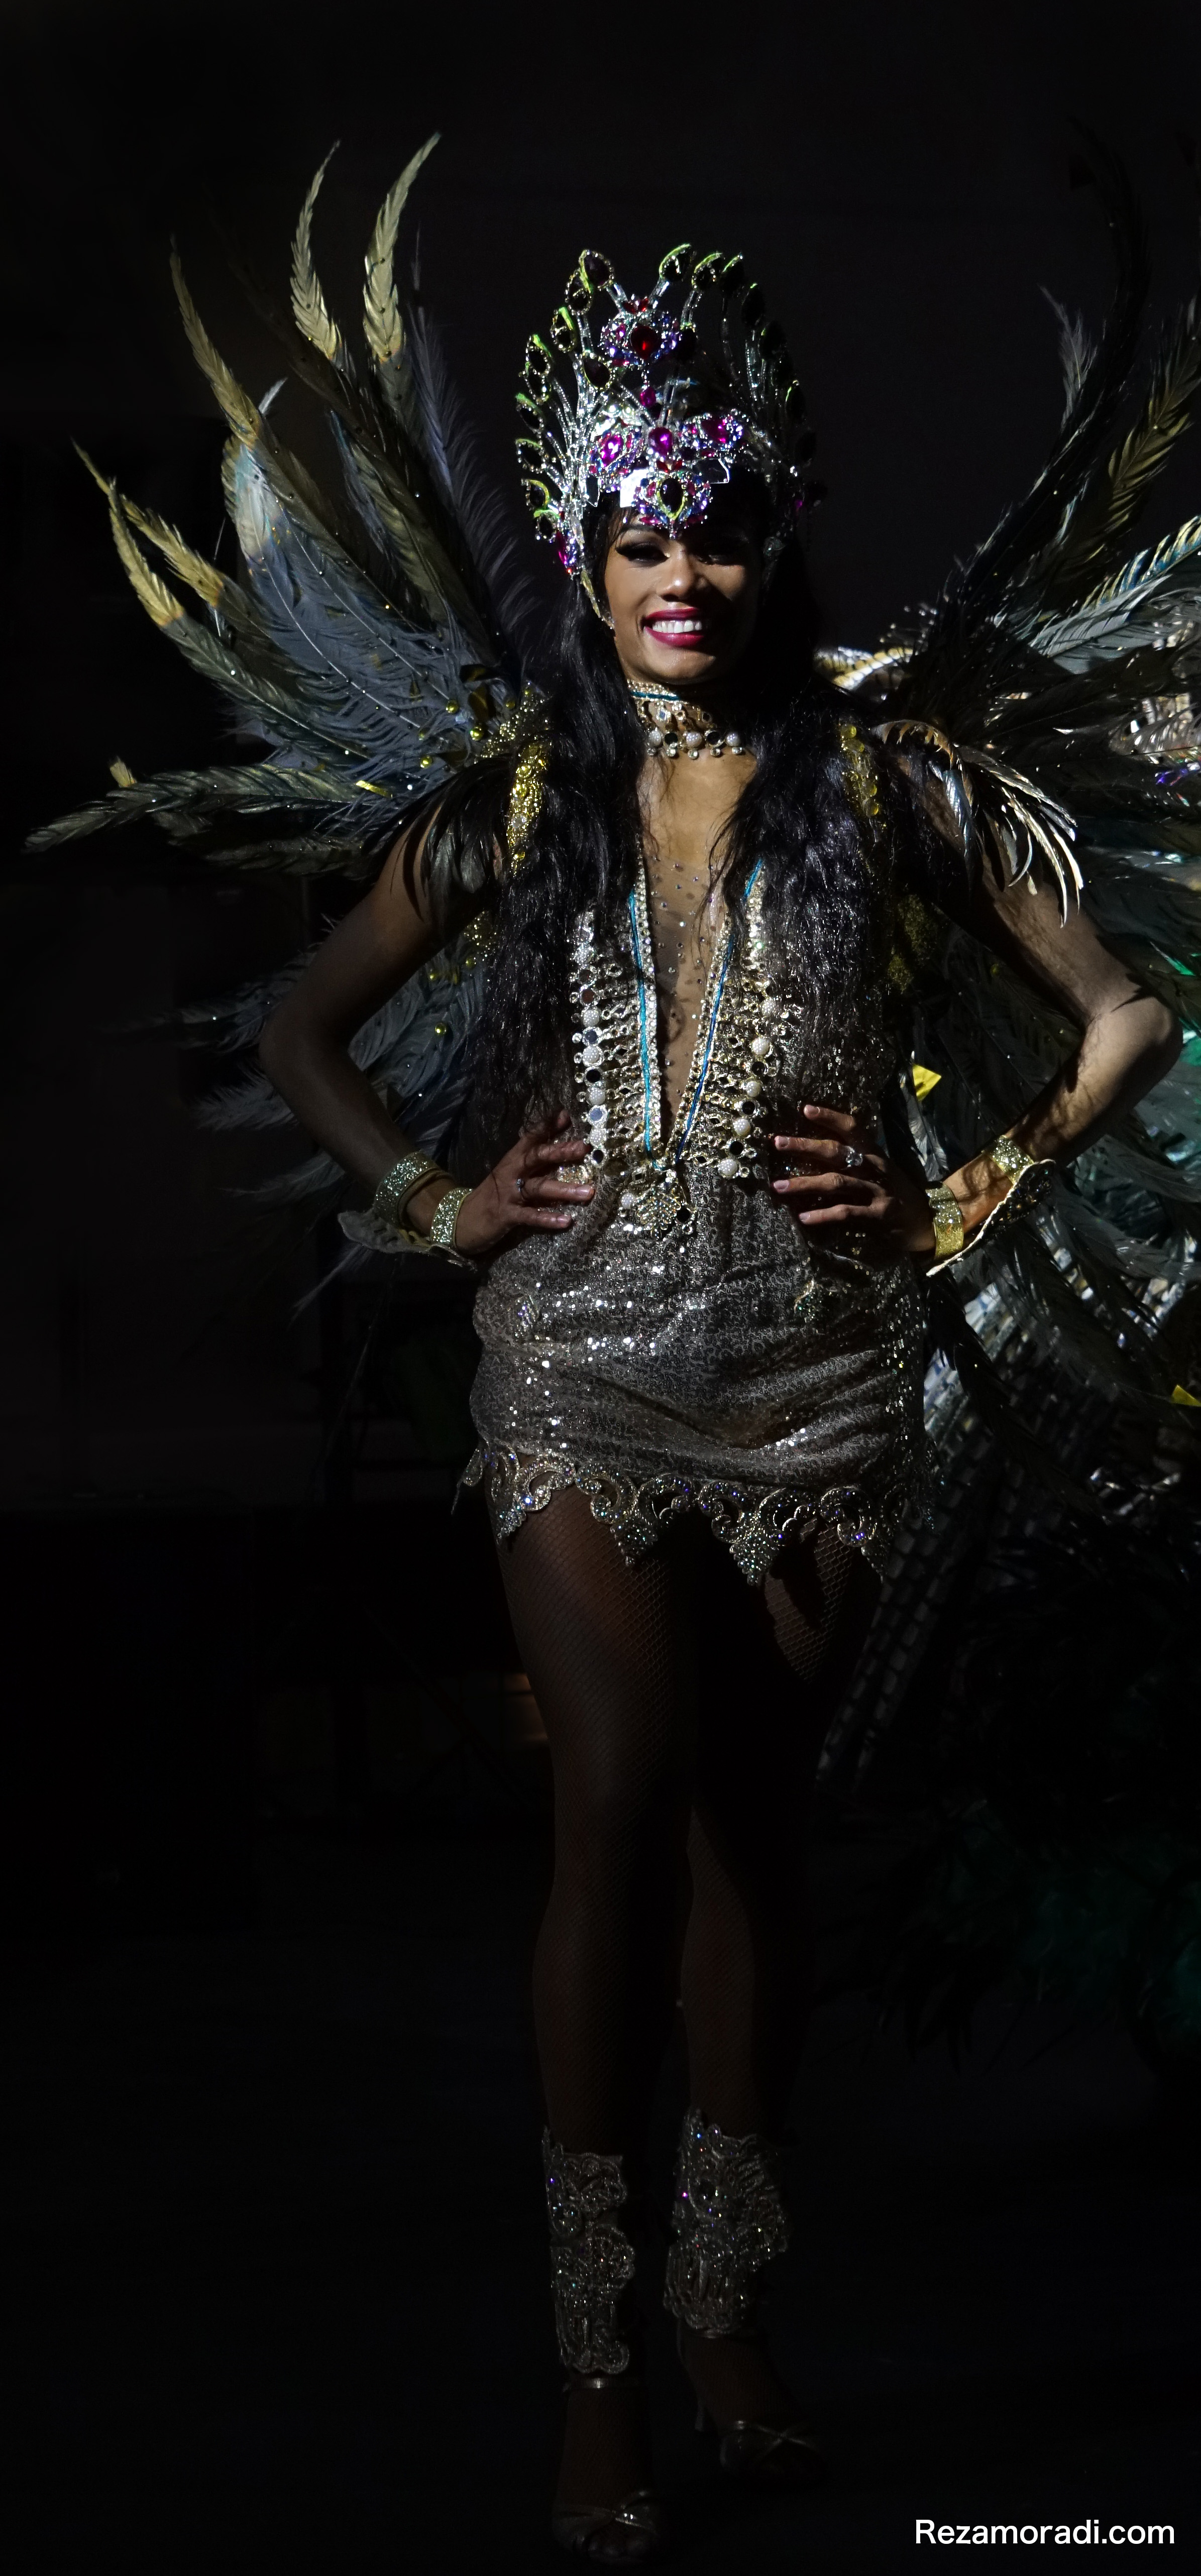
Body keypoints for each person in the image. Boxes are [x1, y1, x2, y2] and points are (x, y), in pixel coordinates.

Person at [36, 162, 1201, 2564]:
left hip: (820, 1377)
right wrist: (437, 1202)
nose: (684, 574)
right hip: (574, 1364)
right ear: (582, 556)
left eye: (723, 531)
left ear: (778, 539)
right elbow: (304, 1022)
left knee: (757, 1838)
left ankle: (729, 2316)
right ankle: (592, 2364)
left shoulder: (889, 781)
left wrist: (964, 1186)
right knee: (620, 1796)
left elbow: (1124, 1011)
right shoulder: (520, 799)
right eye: (641, 536)